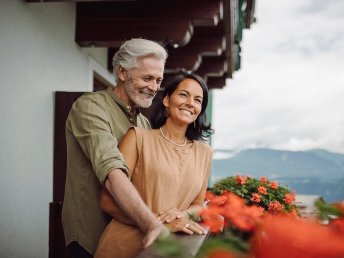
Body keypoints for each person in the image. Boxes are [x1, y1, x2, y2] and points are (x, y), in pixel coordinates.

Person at [61, 38, 168, 258]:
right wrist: (152, 224)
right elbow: (112, 172)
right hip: (91, 238)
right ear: (122, 73)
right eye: (147, 78)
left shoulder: (143, 123)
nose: (154, 87)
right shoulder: (90, 106)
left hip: (127, 236)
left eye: (158, 80)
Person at [94, 73, 214, 258]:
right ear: (166, 100)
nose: (190, 102)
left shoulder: (205, 153)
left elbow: (198, 204)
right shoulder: (137, 138)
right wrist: (161, 223)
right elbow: (107, 201)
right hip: (125, 246)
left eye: (198, 100)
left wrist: (183, 215)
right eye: (183, 94)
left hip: (171, 249)